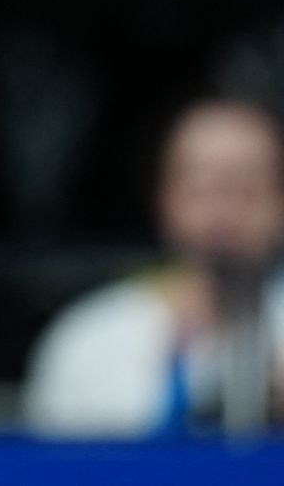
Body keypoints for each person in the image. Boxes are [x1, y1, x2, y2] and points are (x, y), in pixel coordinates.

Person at [24, 98, 284, 437]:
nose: (224, 208)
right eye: (202, 186)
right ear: (164, 198)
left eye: (247, 188)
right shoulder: (88, 339)